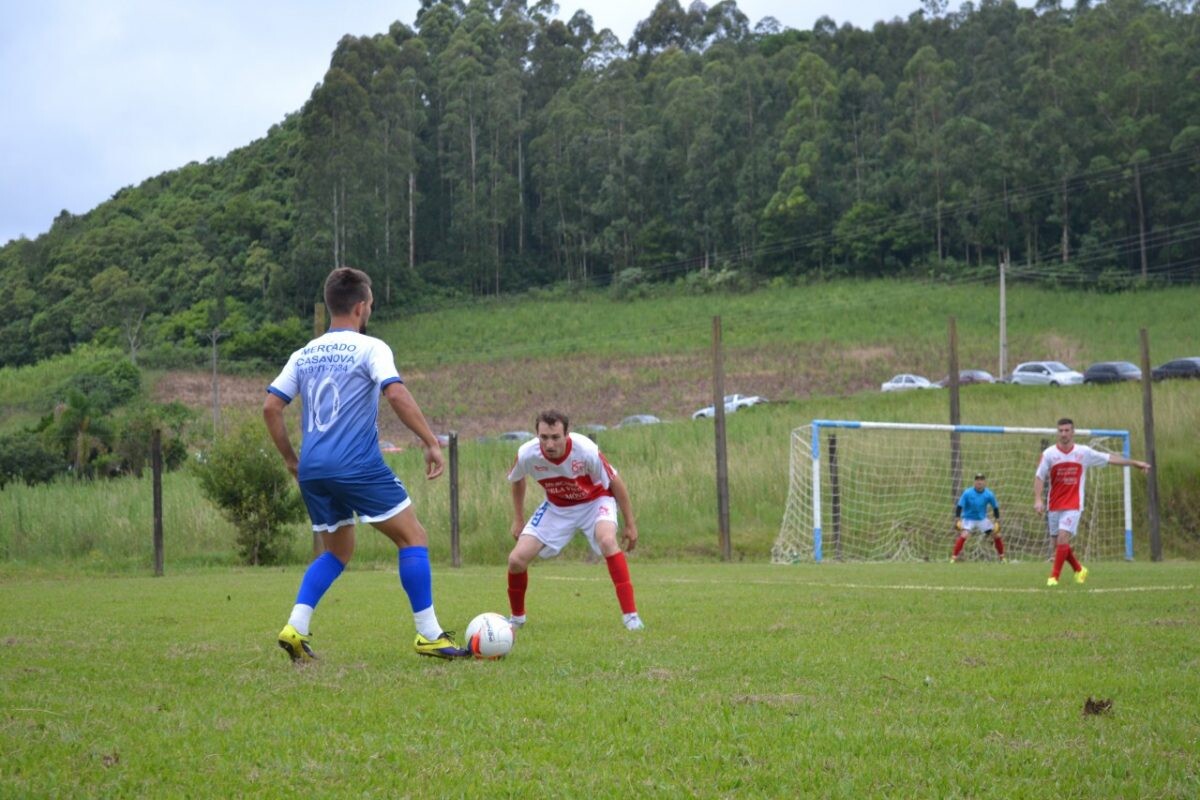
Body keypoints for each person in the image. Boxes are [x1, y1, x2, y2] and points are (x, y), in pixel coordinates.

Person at [263, 266, 469, 661]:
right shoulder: (371, 347)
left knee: (336, 552)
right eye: (370, 305)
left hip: (313, 469)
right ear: (361, 307)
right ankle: (428, 634)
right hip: (355, 464)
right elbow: (396, 395)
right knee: (413, 537)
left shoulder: (303, 353)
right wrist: (430, 441)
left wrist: (292, 459)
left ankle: (295, 627)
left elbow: (272, 406)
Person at [505, 410, 644, 631]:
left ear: (567, 434)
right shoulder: (526, 454)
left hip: (595, 501)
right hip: (557, 507)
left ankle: (631, 617)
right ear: (536, 435)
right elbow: (517, 480)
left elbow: (615, 481)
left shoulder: (585, 450)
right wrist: (518, 518)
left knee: (607, 541)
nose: (549, 444)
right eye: (544, 437)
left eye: (555, 437)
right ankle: (516, 620)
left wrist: (630, 523)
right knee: (516, 560)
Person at [1034, 417, 1151, 587]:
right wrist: (1038, 499)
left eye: (1067, 430)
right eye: (1061, 431)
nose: (1064, 434)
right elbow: (1039, 476)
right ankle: (1079, 569)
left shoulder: (1083, 452)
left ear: (1073, 432)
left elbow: (1110, 458)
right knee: (1058, 544)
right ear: (1057, 432)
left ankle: (1053, 578)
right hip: (1054, 504)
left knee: (1062, 538)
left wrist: (1134, 463)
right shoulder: (1049, 454)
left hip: (1074, 504)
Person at [951, 473, 1004, 562]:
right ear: (974, 482)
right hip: (968, 519)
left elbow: (995, 507)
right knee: (964, 534)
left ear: (985, 482)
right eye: (977, 480)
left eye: (981, 480)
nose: (979, 482)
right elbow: (960, 506)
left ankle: (1002, 558)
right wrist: (957, 519)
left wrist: (997, 520)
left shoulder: (989, 494)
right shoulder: (967, 493)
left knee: (997, 534)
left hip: (981, 520)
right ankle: (953, 559)